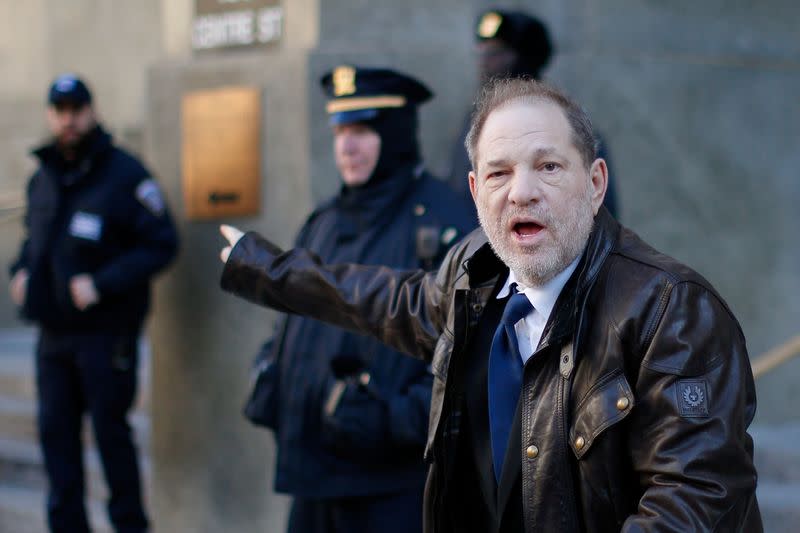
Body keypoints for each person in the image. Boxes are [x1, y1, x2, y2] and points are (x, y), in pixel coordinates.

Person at [219, 77, 762, 532]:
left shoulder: (672, 309)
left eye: (548, 166)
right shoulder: (472, 272)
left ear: (595, 184)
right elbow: (388, 301)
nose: (521, 191)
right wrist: (264, 270)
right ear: (476, 192)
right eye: (500, 172)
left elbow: (694, 497)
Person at [243, 66, 473, 533]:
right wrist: (271, 368)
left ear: (395, 133)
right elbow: (293, 316)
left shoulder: (445, 222)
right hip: (314, 478)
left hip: (393, 486)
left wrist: (392, 420)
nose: (346, 146)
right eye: (340, 130)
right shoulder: (323, 220)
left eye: (363, 130)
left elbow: (474, 362)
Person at [8, 74, 178, 533]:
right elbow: (33, 240)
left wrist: (102, 283)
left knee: (111, 440)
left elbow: (162, 244)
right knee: (56, 443)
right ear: (50, 115)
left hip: (106, 336)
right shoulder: (44, 176)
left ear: (92, 111)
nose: (68, 120)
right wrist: (20, 272)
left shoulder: (125, 175)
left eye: (76, 110)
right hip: (54, 339)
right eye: (60, 111)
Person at [448, 8, 619, 221]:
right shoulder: (477, 120)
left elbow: (600, 212)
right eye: (482, 52)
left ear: (523, 59)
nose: (484, 62)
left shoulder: (566, 123)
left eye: (496, 53)